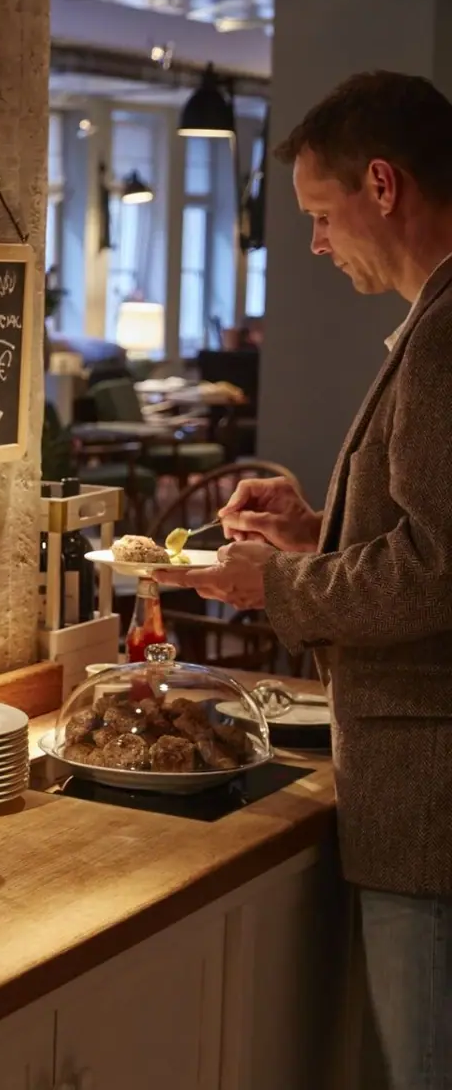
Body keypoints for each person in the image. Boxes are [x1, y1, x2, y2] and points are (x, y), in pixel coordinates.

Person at [156, 70, 452, 1088]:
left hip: (431, 803)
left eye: (323, 215)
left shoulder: (449, 331)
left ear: (383, 184)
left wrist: (271, 588)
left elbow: (435, 572)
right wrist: (315, 534)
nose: (318, 245)